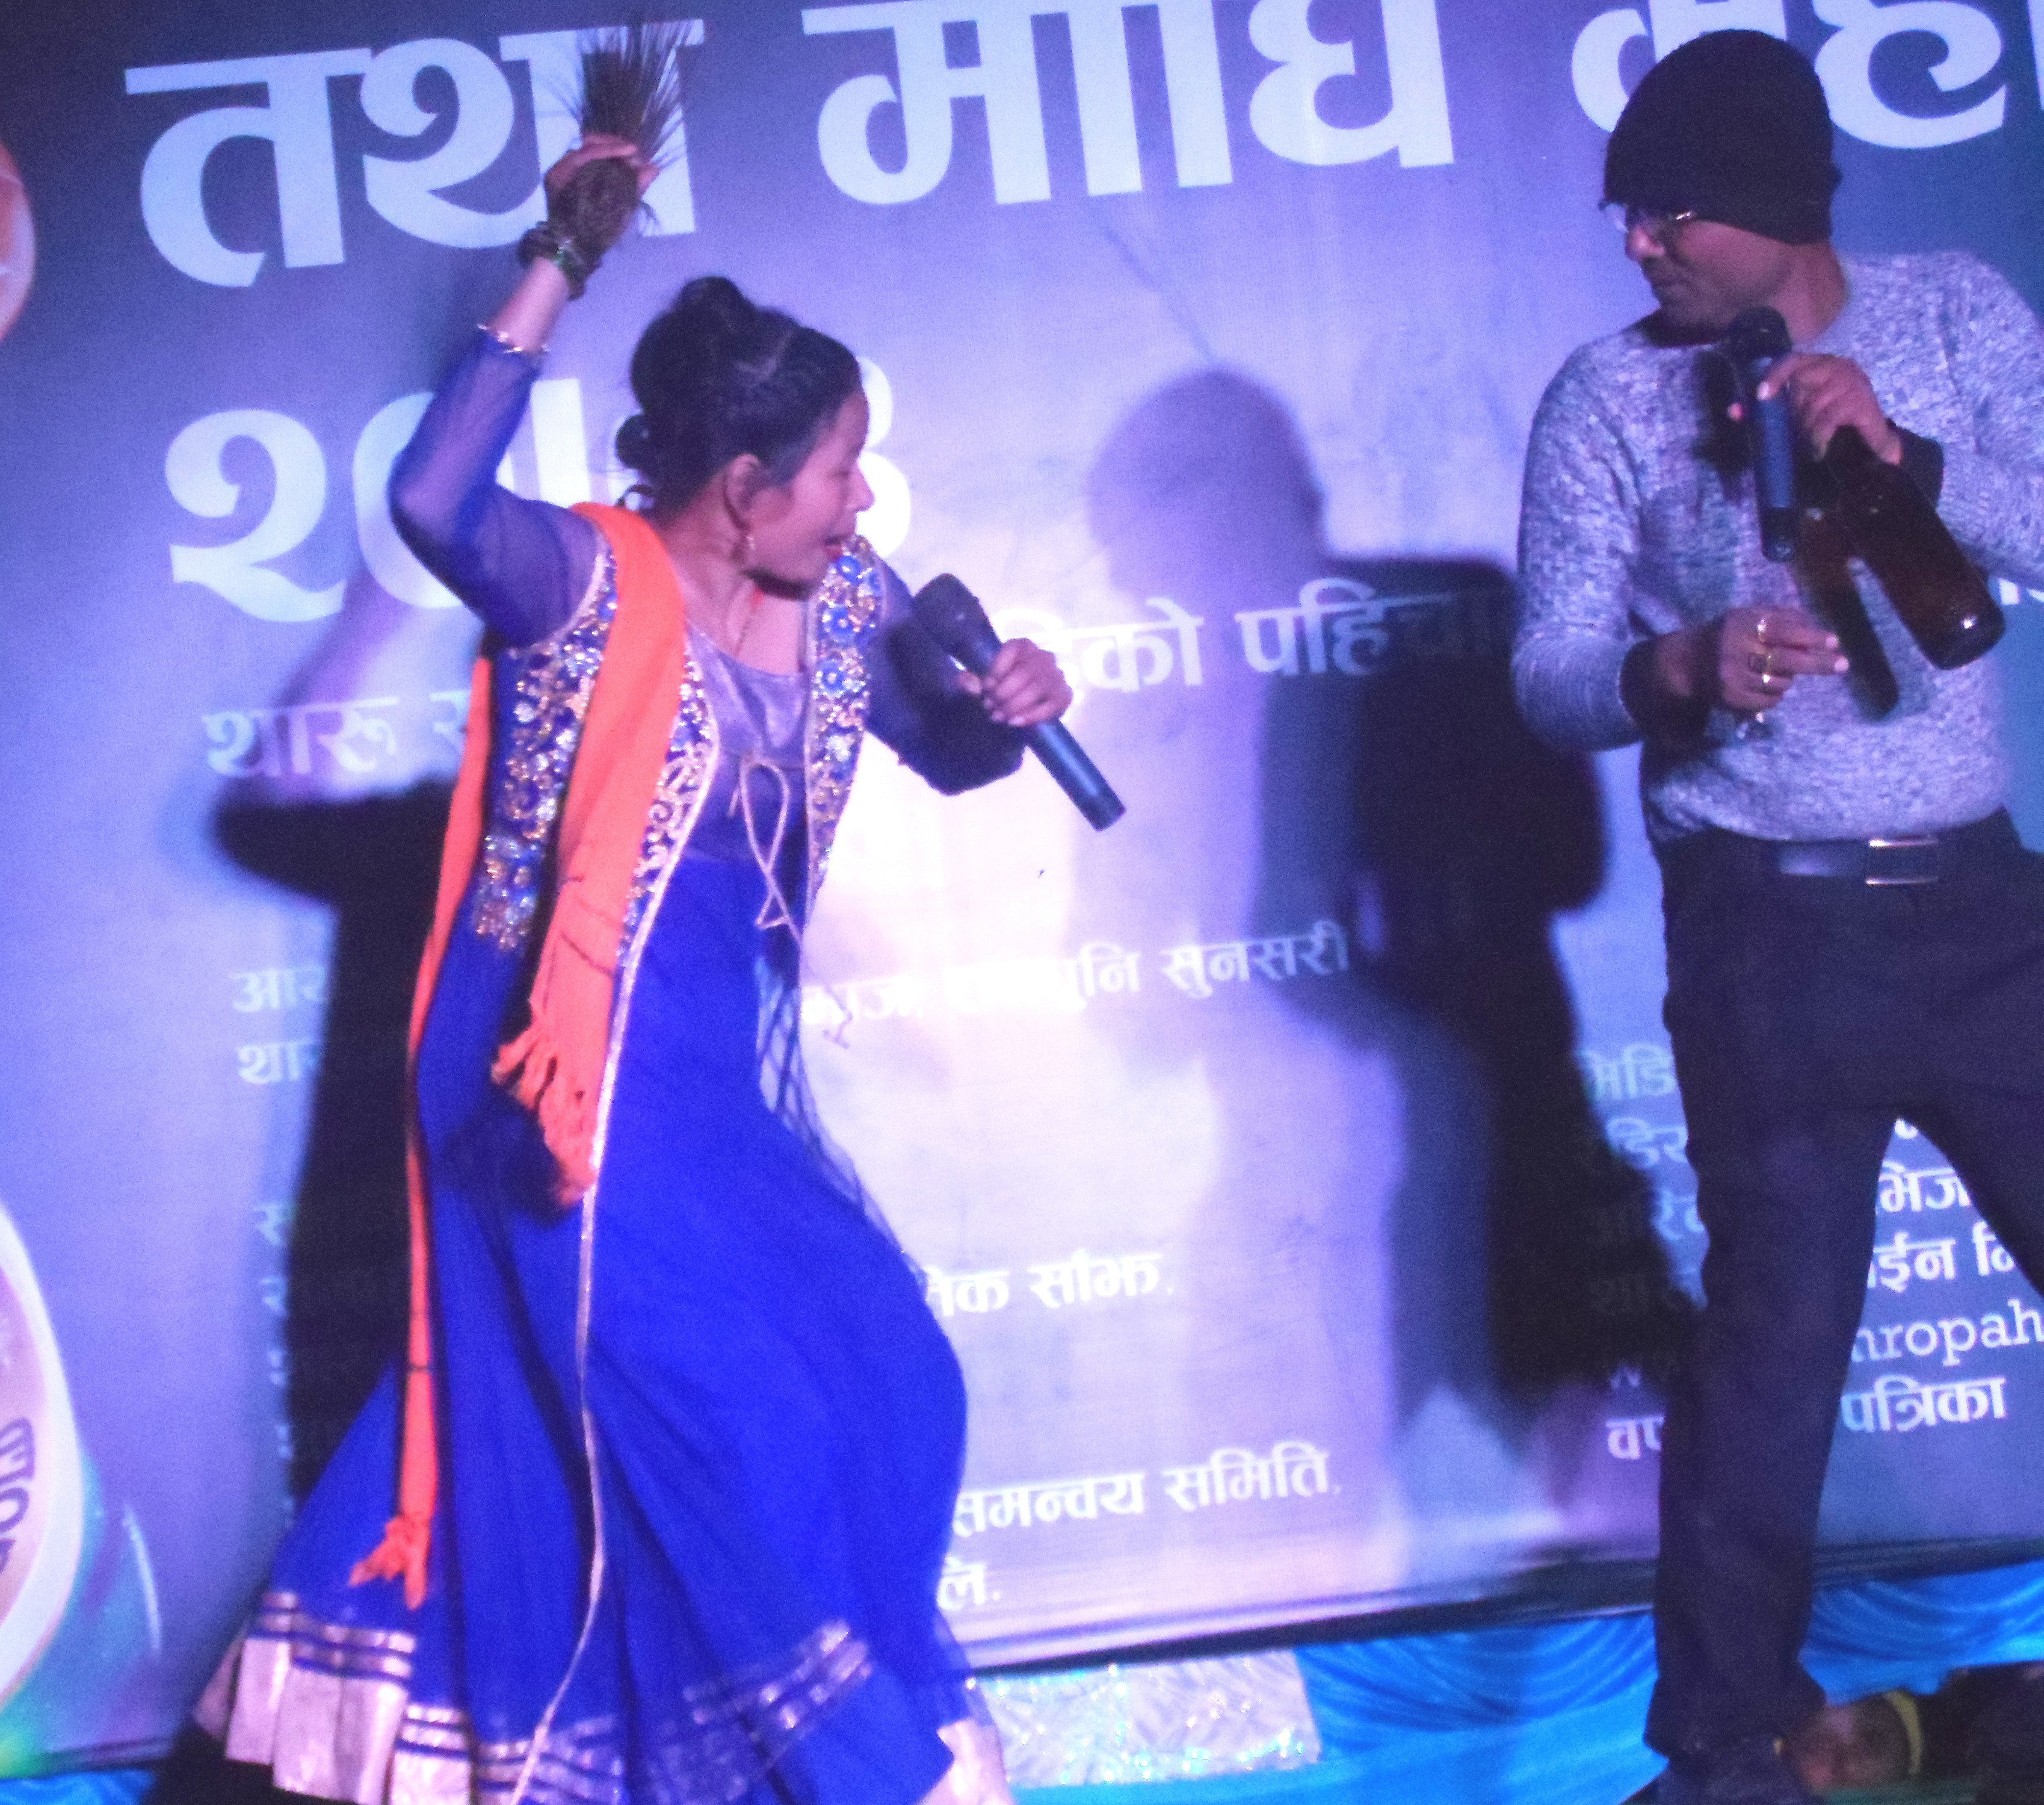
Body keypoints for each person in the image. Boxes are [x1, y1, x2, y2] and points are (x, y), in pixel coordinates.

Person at [194, 134, 1071, 1805]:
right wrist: (558, 260)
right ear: (743, 486)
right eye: (840, 472)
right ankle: (819, 1768)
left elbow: (952, 753)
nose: (863, 501)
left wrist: (1009, 712)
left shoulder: (846, 604)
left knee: (886, 1374)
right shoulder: (583, 582)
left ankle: (673, 1757)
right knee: (722, 1419)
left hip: (708, 1085)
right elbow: (430, 502)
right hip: (552, 1076)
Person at [1513, 31, 2044, 1805]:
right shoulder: (1608, 395)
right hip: (1766, 936)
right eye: (1626, 213)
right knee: (1769, 1356)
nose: (1638, 243)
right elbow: (1549, 673)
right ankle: (1726, 1751)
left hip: (1981, 911)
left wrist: (1914, 452)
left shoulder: (1953, 311)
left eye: (1668, 211)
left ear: (1773, 207)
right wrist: (1676, 668)